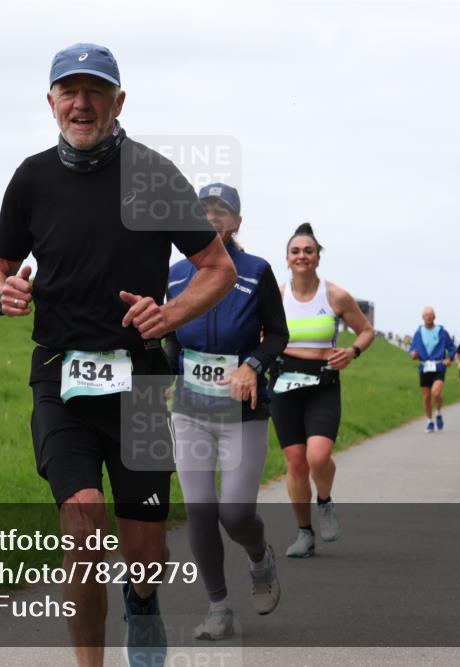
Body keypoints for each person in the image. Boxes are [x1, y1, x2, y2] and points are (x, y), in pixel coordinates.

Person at [0, 43, 235, 667]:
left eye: (95, 91)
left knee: (145, 550)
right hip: (59, 378)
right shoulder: (32, 178)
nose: (81, 103)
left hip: (142, 385)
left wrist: (169, 314)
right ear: (51, 103)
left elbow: (216, 268)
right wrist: (2, 294)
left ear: (119, 102)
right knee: (85, 522)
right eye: (69, 91)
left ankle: (141, 602)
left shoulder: (152, 174)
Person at [165, 184, 288, 640]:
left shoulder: (256, 272)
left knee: (235, 513)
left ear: (237, 222)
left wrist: (253, 366)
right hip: (191, 407)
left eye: (222, 211)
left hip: (242, 409)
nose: (213, 217)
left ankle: (259, 557)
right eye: (204, 211)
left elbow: (277, 335)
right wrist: (164, 371)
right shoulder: (177, 274)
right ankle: (218, 607)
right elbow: (172, 336)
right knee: (199, 509)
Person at [271, 224, 374, 558]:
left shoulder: (335, 296)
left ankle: (325, 502)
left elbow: (366, 330)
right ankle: (304, 532)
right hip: (284, 382)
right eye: (296, 251)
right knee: (296, 462)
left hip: (323, 382)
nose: (302, 256)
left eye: (309, 250)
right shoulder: (277, 294)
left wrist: (352, 351)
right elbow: (259, 331)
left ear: (318, 257)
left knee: (318, 456)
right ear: (287, 258)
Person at [408, 307, 456, 433]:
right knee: (426, 398)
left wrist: (449, 359)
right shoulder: (418, 333)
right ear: (422, 317)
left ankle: (439, 412)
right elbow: (412, 349)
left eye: (430, 315)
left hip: (439, 366)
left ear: (434, 317)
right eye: (426, 315)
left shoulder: (442, 332)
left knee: (436, 392)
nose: (428, 317)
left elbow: (452, 348)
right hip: (424, 367)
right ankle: (430, 422)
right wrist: (413, 354)